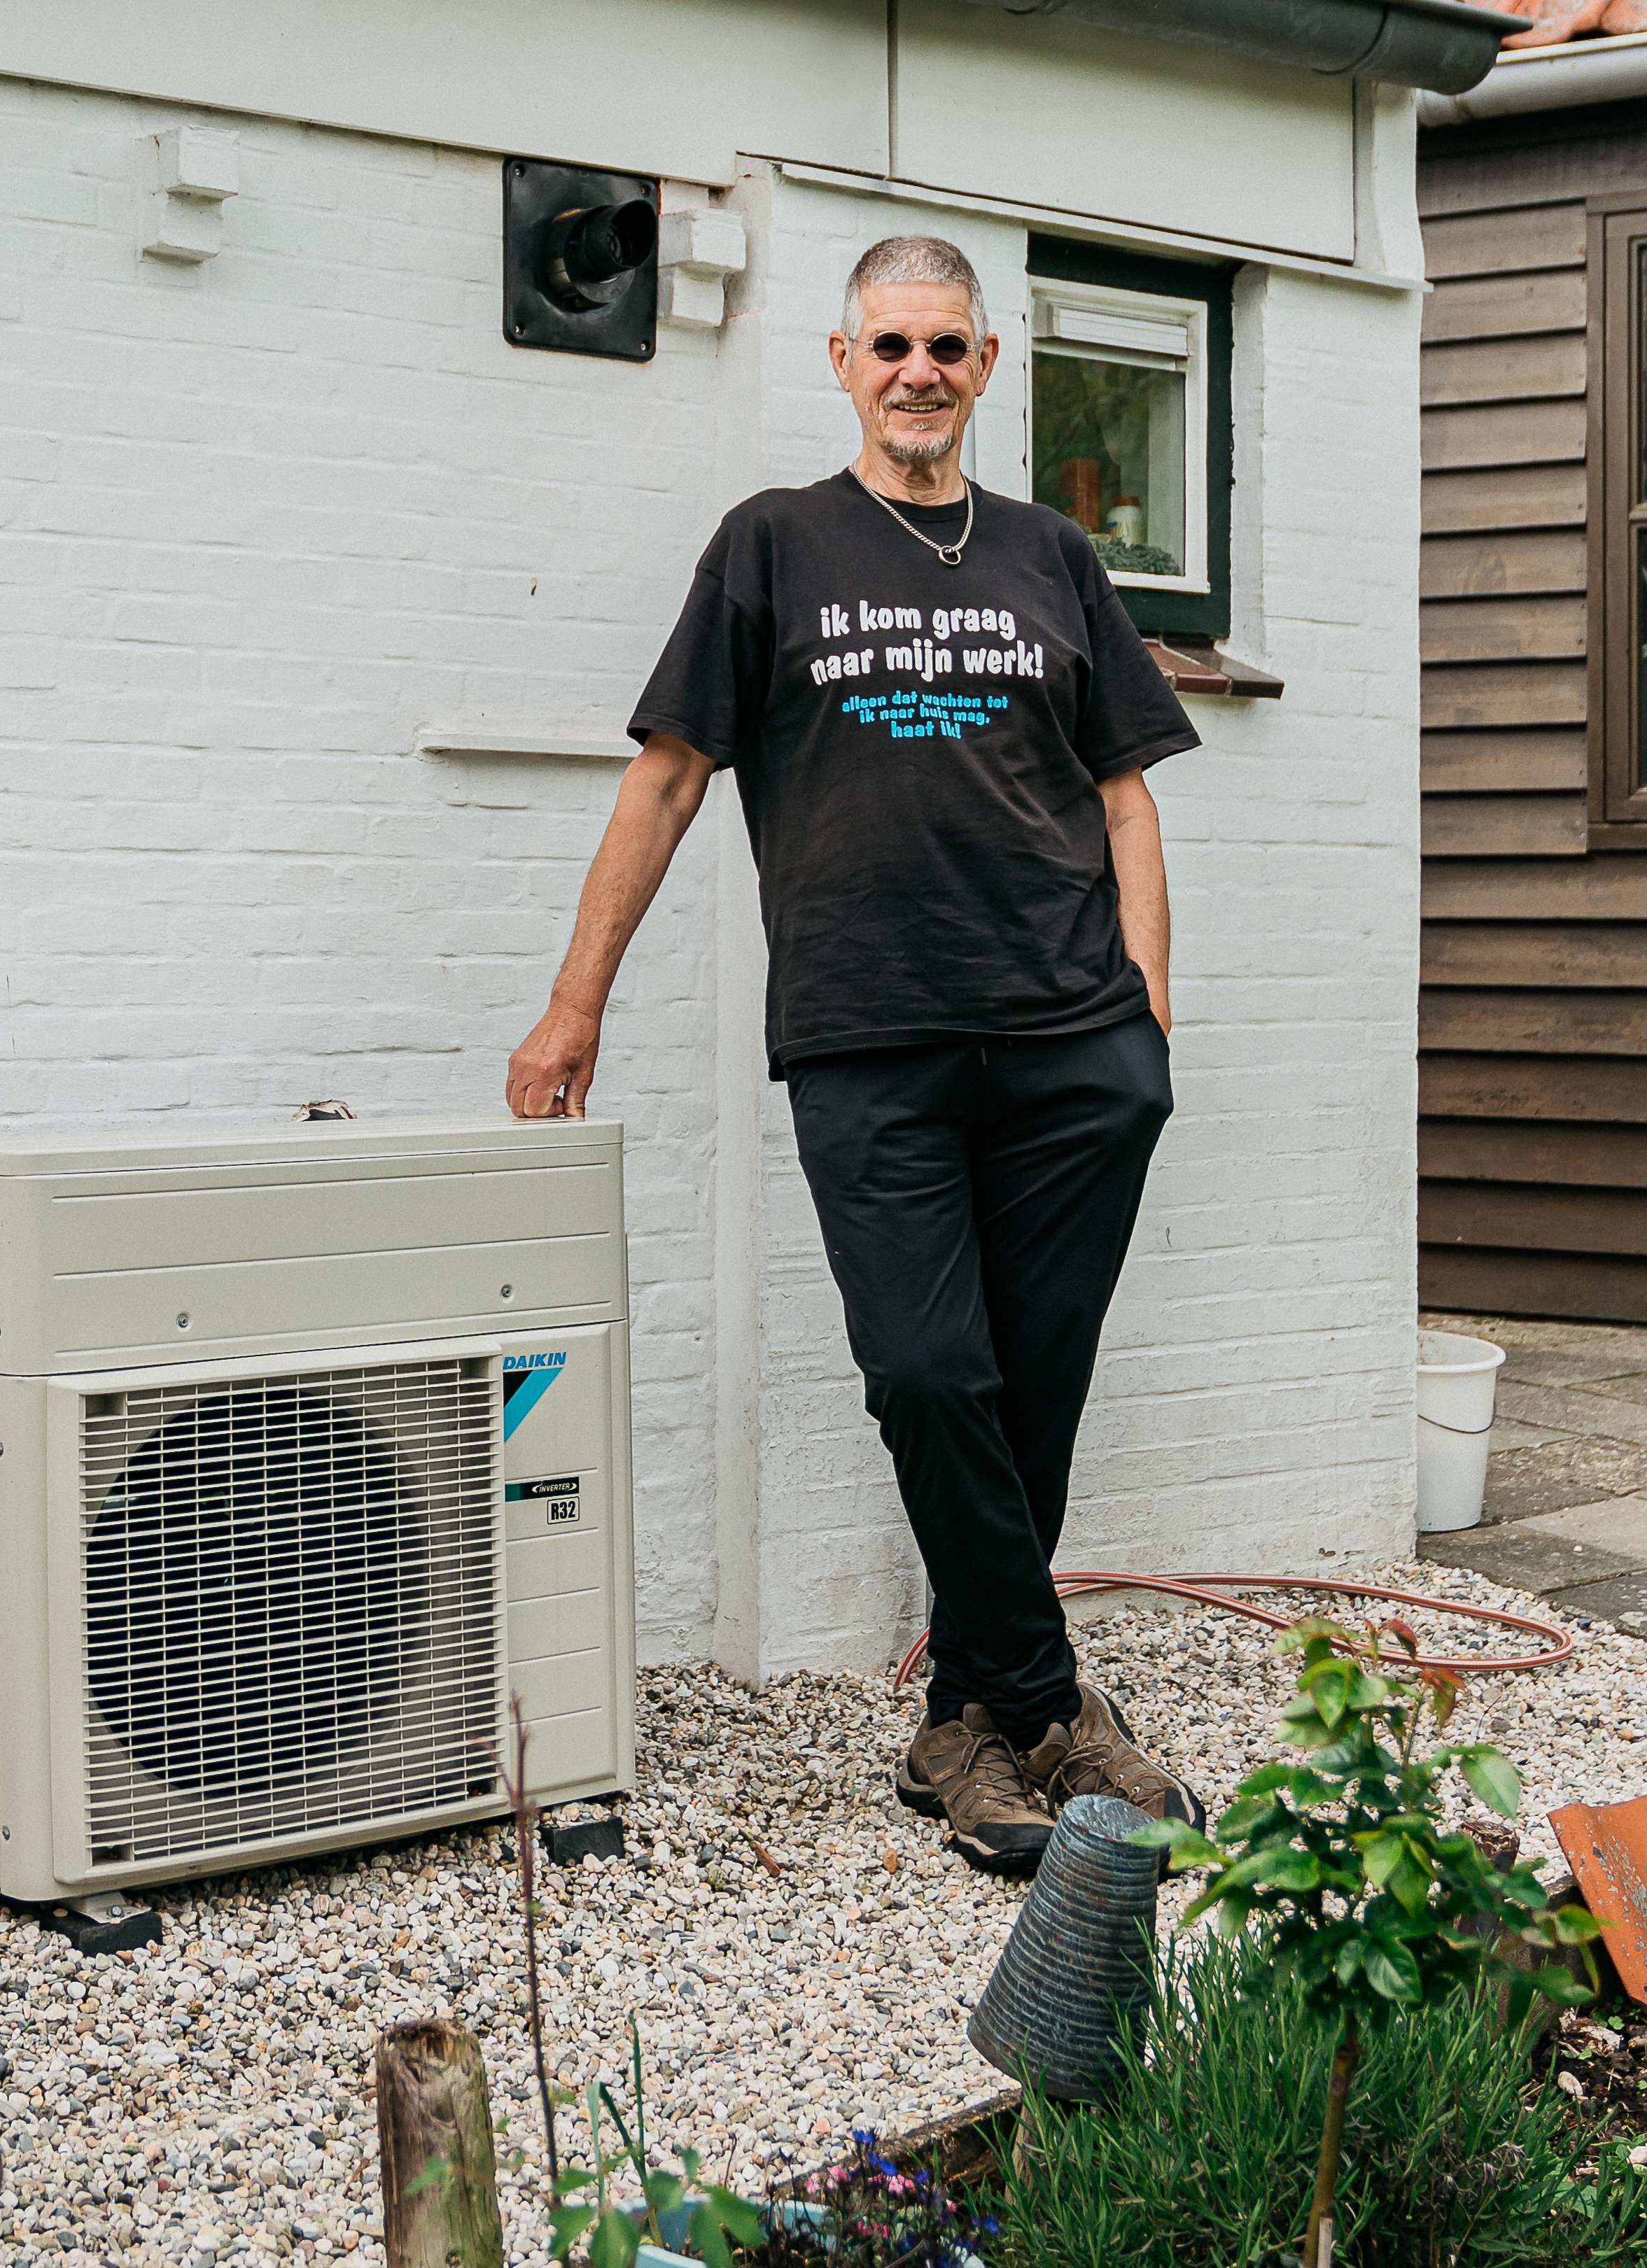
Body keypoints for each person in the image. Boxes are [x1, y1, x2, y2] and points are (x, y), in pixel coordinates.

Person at [504, 233, 1199, 1877]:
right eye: (889, 344)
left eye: (947, 347)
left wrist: (1146, 1013)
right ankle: (1044, 1699)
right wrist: (572, 999)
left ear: (987, 365)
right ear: (840, 360)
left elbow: (1125, 795)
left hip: (1073, 1040)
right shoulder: (772, 546)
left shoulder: (1052, 555)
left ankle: (966, 1730)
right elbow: (669, 779)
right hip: (868, 1037)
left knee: (1033, 1389)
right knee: (926, 1370)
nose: (918, 372)